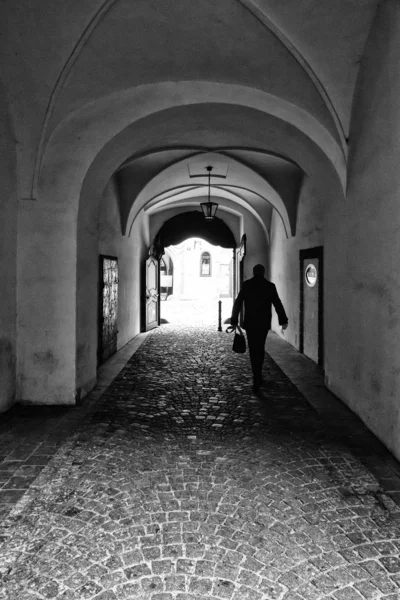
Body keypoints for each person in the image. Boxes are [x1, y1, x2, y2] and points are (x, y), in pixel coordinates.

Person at [230, 264, 288, 393]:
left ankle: (256, 376)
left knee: (253, 349)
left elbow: (238, 302)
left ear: (253, 272)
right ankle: (258, 375)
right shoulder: (269, 286)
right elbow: (277, 303)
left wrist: (234, 320)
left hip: (250, 323)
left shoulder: (247, 285)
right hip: (263, 323)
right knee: (260, 348)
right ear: (264, 273)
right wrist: (283, 320)